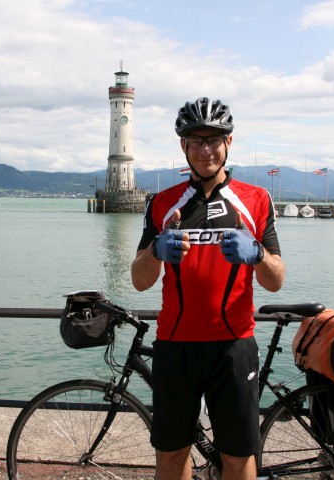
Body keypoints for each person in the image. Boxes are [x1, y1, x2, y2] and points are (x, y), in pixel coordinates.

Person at [131, 97, 285, 480]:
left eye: (213, 140)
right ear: (183, 146)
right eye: (196, 141)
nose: (205, 150)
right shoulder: (163, 203)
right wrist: (156, 249)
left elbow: (275, 281)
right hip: (175, 345)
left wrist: (257, 255)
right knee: (171, 454)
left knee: (238, 457)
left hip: (233, 346)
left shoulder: (255, 200)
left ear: (228, 142)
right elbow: (139, 280)